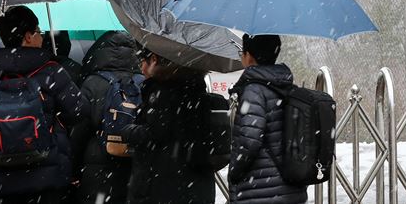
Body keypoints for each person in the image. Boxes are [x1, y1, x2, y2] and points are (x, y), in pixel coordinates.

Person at [0, 5, 87, 204]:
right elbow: (79, 112)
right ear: (28, 36)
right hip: (48, 176)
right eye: (38, 31)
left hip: (1, 180)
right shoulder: (51, 73)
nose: (41, 37)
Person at [122, 47, 216, 204]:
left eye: (142, 62)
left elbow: (156, 132)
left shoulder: (162, 91)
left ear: (154, 59)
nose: (141, 68)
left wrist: (128, 131)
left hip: (163, 183)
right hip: (198, 184)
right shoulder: (197, 89)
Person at [227, 34, 307, 204]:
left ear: (248, 56)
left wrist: (234, 171)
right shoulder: (286, 86)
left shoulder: (254, 90)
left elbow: (250, 141)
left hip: (258, 190)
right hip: (290, 188)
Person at [70, 30, 141, 204]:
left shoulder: (92, 83)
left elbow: (79, 132)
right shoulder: (143, 82)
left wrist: (72, 168)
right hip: (135, 165)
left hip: (98, 165)